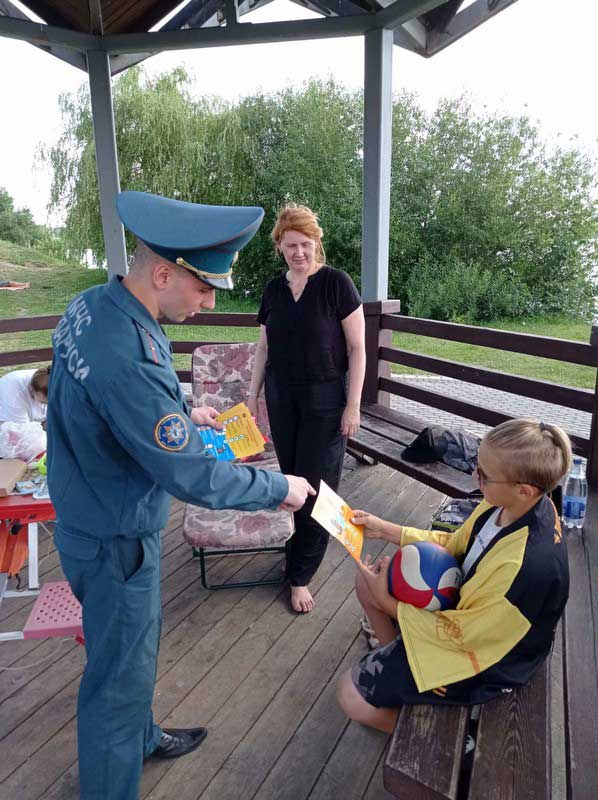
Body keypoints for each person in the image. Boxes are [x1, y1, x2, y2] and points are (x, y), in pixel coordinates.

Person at [46, 191, 315, 800]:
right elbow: (193, 477)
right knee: (115, 684)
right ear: (163, 273)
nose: (212, 301)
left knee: (129, 657)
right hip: (116, 540)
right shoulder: (130, 357)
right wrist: (279, 488)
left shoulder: (94, 306)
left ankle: (141, 738)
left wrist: (177, 410)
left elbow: (103, 402)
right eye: (204, 287)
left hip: (86, 519)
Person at [336, 419, 571, 734]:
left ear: (524, 489)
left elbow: (464, 636)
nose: (475, 476)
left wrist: (388, 602)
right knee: (367, 582)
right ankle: (401, 659)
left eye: (484, 475)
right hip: (471, 619)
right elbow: (456, 544)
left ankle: (424, 736)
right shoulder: (502, 506)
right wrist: (388, 530)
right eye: (477, 464)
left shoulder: (523, 567)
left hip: (491, 659)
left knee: (351, 698)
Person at [247, 204, 366, 613]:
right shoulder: (273, 290)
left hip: (326, 401)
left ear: (317, 243)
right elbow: (264, 347)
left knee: (319, 490)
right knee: (292, 484)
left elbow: (357, 348)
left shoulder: (337, 284)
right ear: (279, 247)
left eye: (306, 244)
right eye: (291, 245)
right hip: (282, 399)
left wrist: (353, 405)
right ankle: (295, 552)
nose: (299, 252)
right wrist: (251, 395)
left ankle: (300, 576)